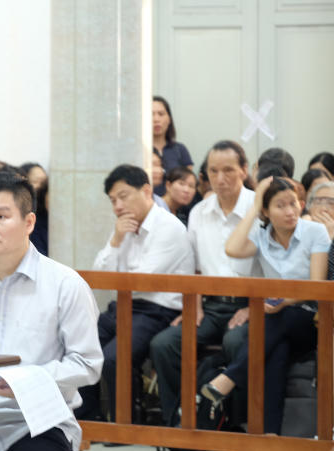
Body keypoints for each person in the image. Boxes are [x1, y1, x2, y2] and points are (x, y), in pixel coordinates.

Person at [0, 171, 103, 451]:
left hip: (39, 421)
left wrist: (25, 380)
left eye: (1, 217)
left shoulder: (65, 284)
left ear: (29, 222)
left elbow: (87, 364)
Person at [201, 176, 329, 434]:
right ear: (266, 211)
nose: (290, 211)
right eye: (280, 205)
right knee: (276, 351)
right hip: (275, 322)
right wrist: (255, 203)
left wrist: (284, 302)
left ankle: (229, 378)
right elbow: (232, 249)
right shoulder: (261, 236)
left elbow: (316, 288)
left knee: (282, 318)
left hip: (310, 320)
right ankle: (270, 436)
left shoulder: (315, 232)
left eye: (293, 203)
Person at [150, 140, 259, 428]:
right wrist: (193, 306)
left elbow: (271, 267)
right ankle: (179, 423)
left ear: (244, 170)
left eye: (228, 170)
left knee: (236, 342)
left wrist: (253, 307)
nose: (220, 179)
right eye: (213, 171)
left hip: (250, 306)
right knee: (164, 344)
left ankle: (236, 426)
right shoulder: (199, 211)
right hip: (210, 306)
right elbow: (194, 268)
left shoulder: (258, 209)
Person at [86, 165, 195, 422]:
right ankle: (89, 420)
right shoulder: (123, 228)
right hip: (125, 306)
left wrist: (119, 273)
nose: (118, 206)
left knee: (113, 358)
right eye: (113, 200)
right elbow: (100, 276)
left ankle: (126, 427)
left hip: (158, 311)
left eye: (123, 197)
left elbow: (142, 281)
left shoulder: (168, 227)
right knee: (82, 347)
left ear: (146, 191)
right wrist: (116, 240)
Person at [153, 95, 193, 195]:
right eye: (151, 114)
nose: (156, 119)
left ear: (169, 119)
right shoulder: (139, 152)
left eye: (161, 114)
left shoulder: (180, 149)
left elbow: (189, 184)